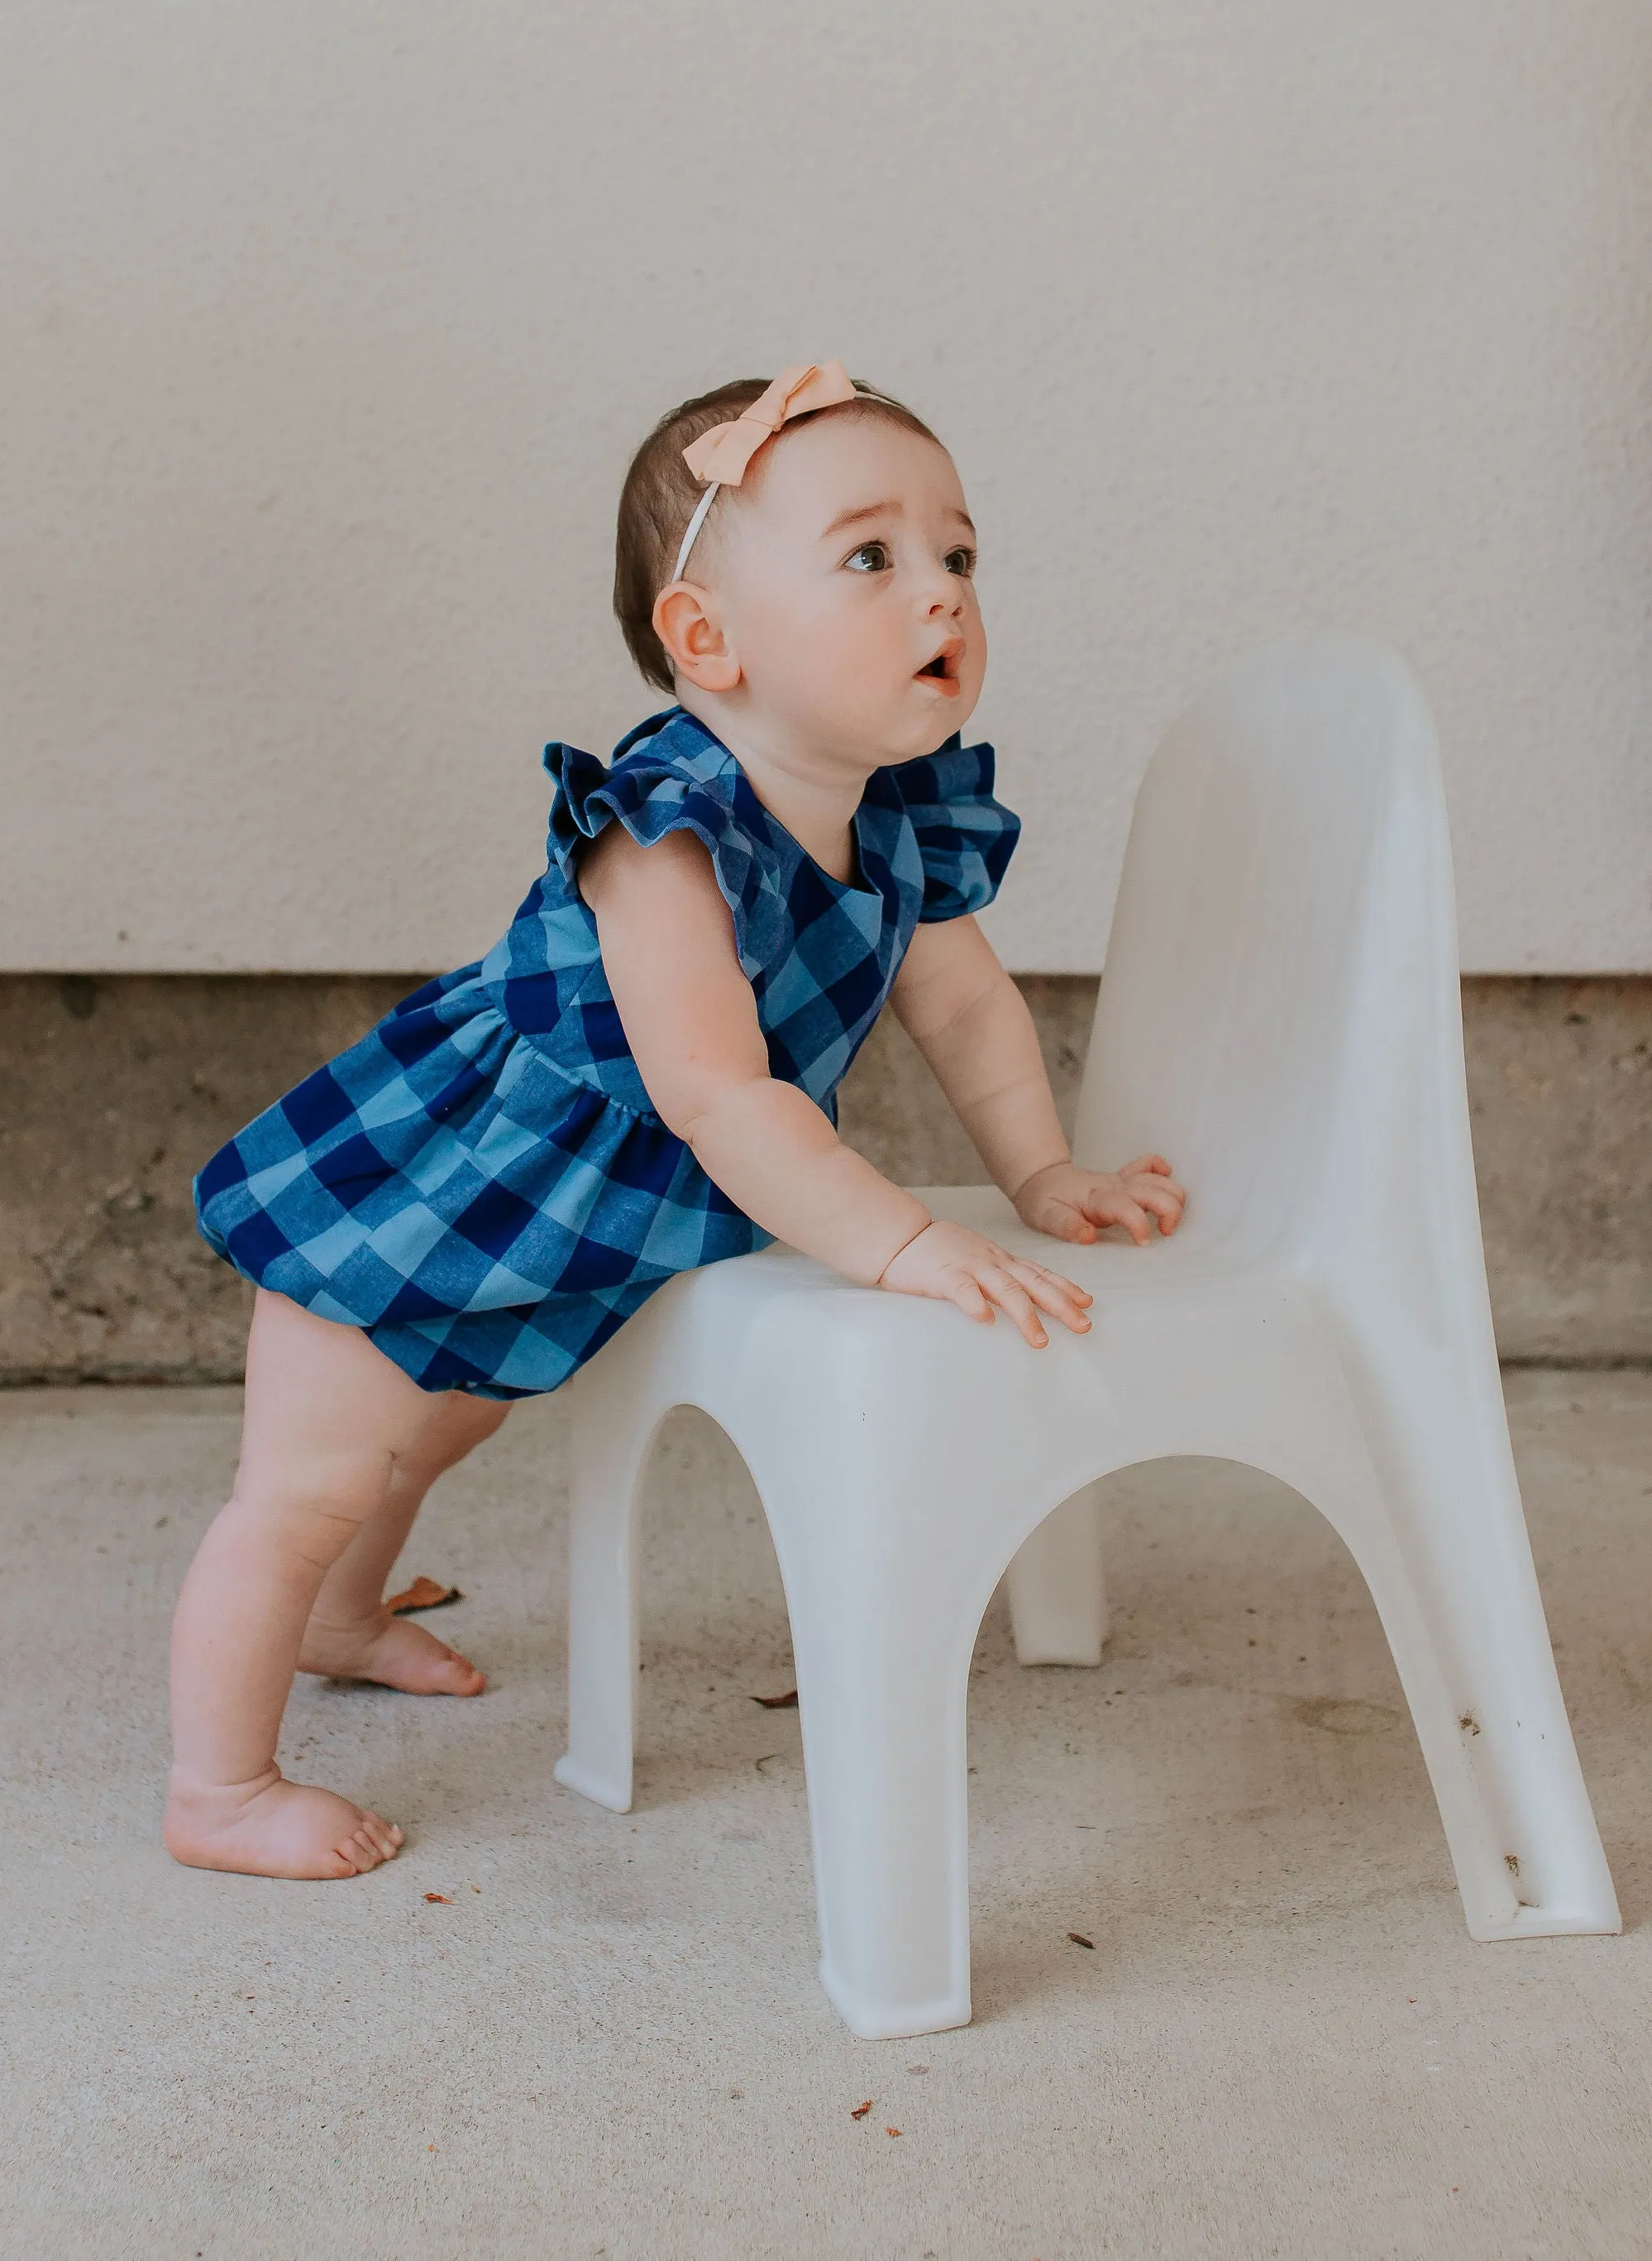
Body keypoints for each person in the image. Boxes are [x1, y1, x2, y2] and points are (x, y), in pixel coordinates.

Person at [168, 361, 1186, 1881]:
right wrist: (900, 1239)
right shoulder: (667, 828)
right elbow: (713, 1089)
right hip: (429, 1180)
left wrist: (1037, 1167)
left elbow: (964, 1011)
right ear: (706, 641)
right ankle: (221, 1787)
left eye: (958, 556)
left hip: (582, 1204)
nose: (943, 597)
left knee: (442, 1420)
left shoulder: (891, 811)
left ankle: (337, 1617)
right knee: (309, 1479)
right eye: (872, 557)